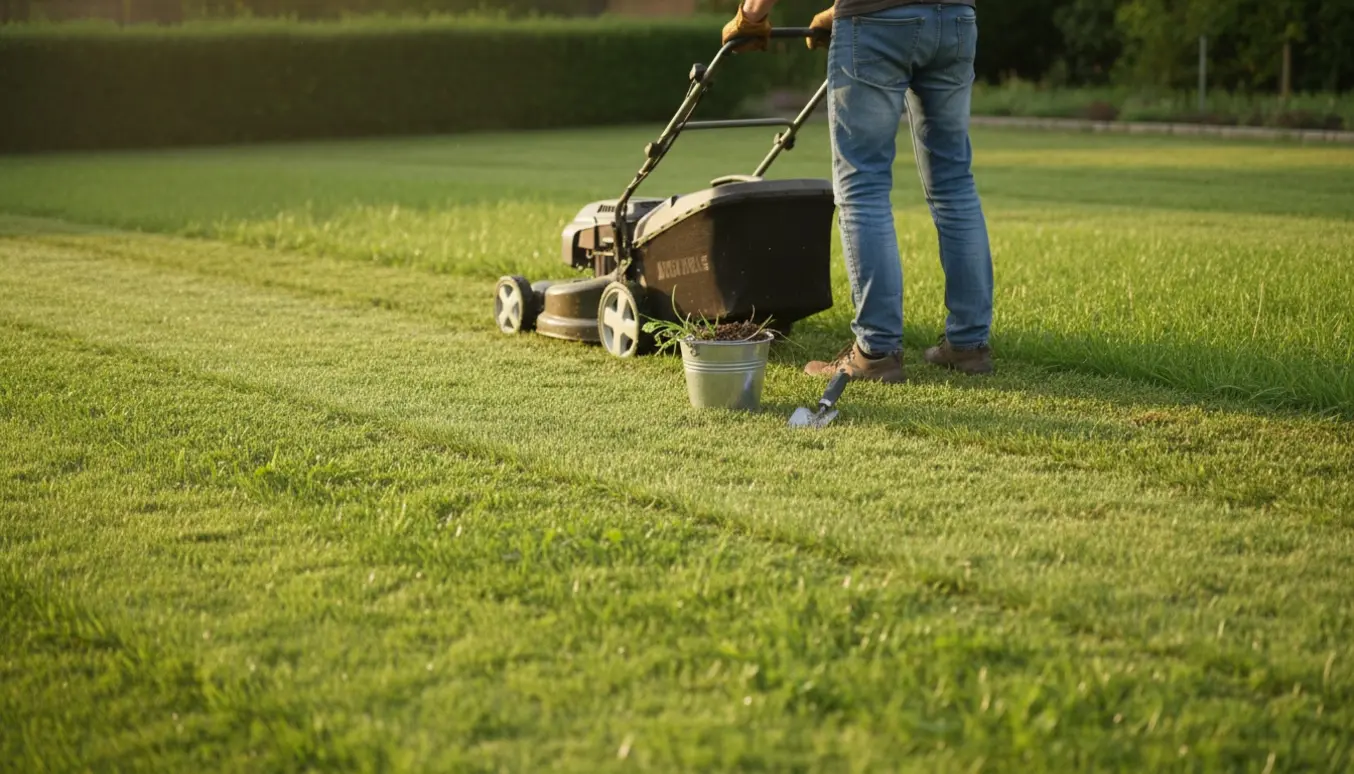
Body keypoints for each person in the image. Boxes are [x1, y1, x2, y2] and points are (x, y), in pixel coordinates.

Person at [722, 0, 994, 382]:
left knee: (864, 187)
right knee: (954, 185)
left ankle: (876, 352)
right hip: (954, 17)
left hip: (876, 21)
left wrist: (752, 14)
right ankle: (969, 345)